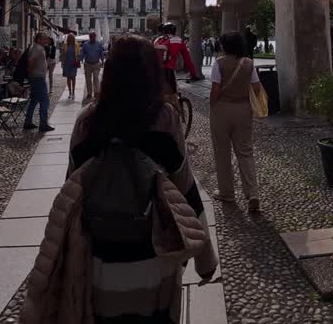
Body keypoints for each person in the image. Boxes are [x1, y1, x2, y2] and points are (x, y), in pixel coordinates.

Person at [22, 35, 217, 323]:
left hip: (100, 252)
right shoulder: (164, 118)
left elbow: (72, 187)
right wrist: (205, 257)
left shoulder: (88, 120)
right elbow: (184, 185)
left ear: (109, 71)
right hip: (155, 251)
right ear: (150, 72)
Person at [209, 31, 264, 213]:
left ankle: (227, 192)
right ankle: (252, 193)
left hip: (222, 110)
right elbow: (256, 88)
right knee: (245, 153)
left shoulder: (219, 63)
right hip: (243, 110)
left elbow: (215, 89)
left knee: (222, 153)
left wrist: (213, 106)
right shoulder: (249, 63)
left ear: (225, 46)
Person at [154, 22, 201, 106]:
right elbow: (187, 60)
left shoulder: (157, 40)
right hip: (168, 71)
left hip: (154, 71)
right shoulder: (178, 41)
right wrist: (193, 75)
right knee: (172, 97)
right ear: (174, 31)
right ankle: (175, 115)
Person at [23, 32, 54, 132]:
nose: (46, 40)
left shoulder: (36, 47)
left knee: (34, 100)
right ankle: (43, 124)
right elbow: (31, 60)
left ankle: (28, 122)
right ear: (39, 39)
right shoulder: (38, 48)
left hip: (36, 77)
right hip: (38, 78)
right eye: (44, 39)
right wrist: (31, 73)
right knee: (45, 101)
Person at [80, 31, 105, 103]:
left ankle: (96, 92)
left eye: (93, 36)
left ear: (95, 37)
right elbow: (82, 52)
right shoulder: (85, 44)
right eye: (91, 36)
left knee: (96, 78)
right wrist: (80, 58)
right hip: (87, 64)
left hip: (96, 64)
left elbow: (101, 53)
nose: (92, 38)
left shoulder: (99, 44)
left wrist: (102, 61)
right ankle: (89, 93)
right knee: (88, 79)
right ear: (89, 37)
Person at [60, 33, 80, 100]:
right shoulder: (65, 45)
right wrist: (62, 63)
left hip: (74, 64)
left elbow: (78, 54)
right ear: (68, 38)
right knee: (68, 78)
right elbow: (63, 55)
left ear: (73, 38)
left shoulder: (76, 45)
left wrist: (79, 61)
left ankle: (73, 92)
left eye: (72, 37)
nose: (71, 38)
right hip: (67, 64)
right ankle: (70, 92)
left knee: (73, 78)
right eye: (69, 37)